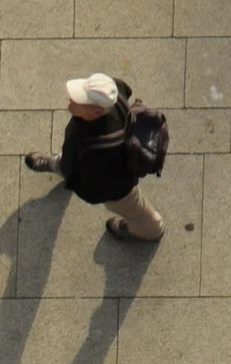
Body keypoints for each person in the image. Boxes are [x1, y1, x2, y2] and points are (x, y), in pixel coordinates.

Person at [22, 72, 165, 242]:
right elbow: (124, 87)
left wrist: (74, 183)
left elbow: (94, 191)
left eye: (77, 102)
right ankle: (59, 165)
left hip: (117, 187)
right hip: (78, 159)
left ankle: (150, 230)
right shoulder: (114, 93)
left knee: (131, 207)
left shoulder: (101, 151)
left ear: (96, 112)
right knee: (68, 163)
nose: (70, 105)